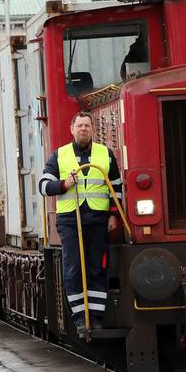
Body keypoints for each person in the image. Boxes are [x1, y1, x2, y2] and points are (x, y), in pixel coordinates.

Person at [38, 112, 123, 337]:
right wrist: (64, 184)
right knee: (74, 267)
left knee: (97, 267)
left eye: (87, 125)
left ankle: (95, 318)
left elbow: (116, 187)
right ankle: (79, 319)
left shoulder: (105, 154)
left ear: (92, 129)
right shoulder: (59, 155)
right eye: (80, 126)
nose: (83, 129)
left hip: (98, 219)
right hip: (69, 220)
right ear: (72, 129)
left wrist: (113, 215)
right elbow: (44, 186)